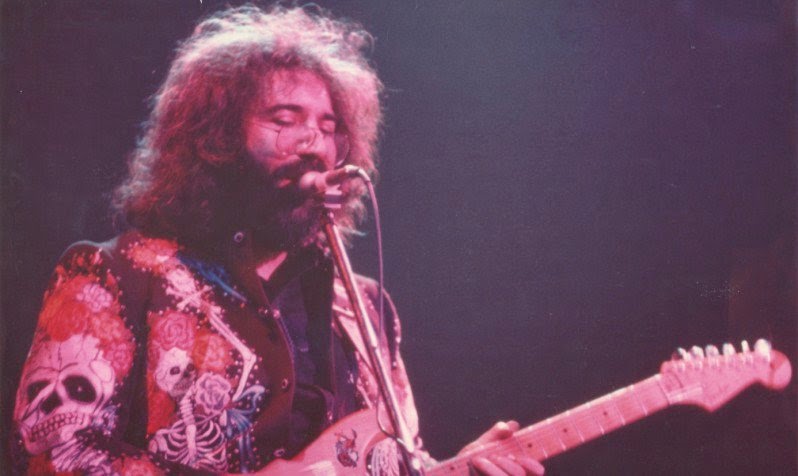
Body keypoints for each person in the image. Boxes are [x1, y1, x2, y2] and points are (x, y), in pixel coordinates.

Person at [11, 5, 544, 475]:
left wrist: (458, 468)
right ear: (216, 139)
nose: (314, 142)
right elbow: (50, 452)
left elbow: (394, 462)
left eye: (329, 127)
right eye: (285, 120)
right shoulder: (119, 275)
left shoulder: (363, 308)